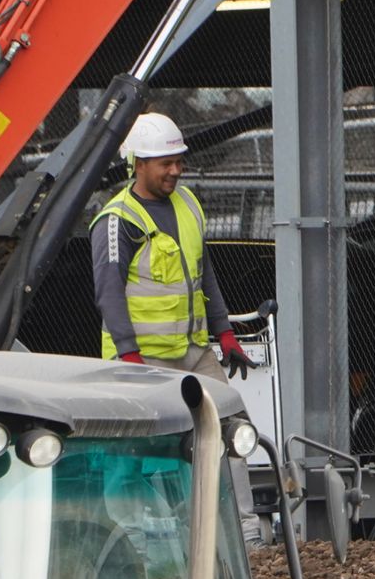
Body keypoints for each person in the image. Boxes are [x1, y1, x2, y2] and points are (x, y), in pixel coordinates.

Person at [91, 112, 253, 382]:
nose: (176, 170)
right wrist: (130, 356)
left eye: (179, 161)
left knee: (226, 409)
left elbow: (205, 276)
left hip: (195, 352)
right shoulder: (118, 220)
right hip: (145, 358)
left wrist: (224, 333)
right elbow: (110, 295)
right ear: (139, 164)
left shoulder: (187, 202)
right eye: (166, 163)